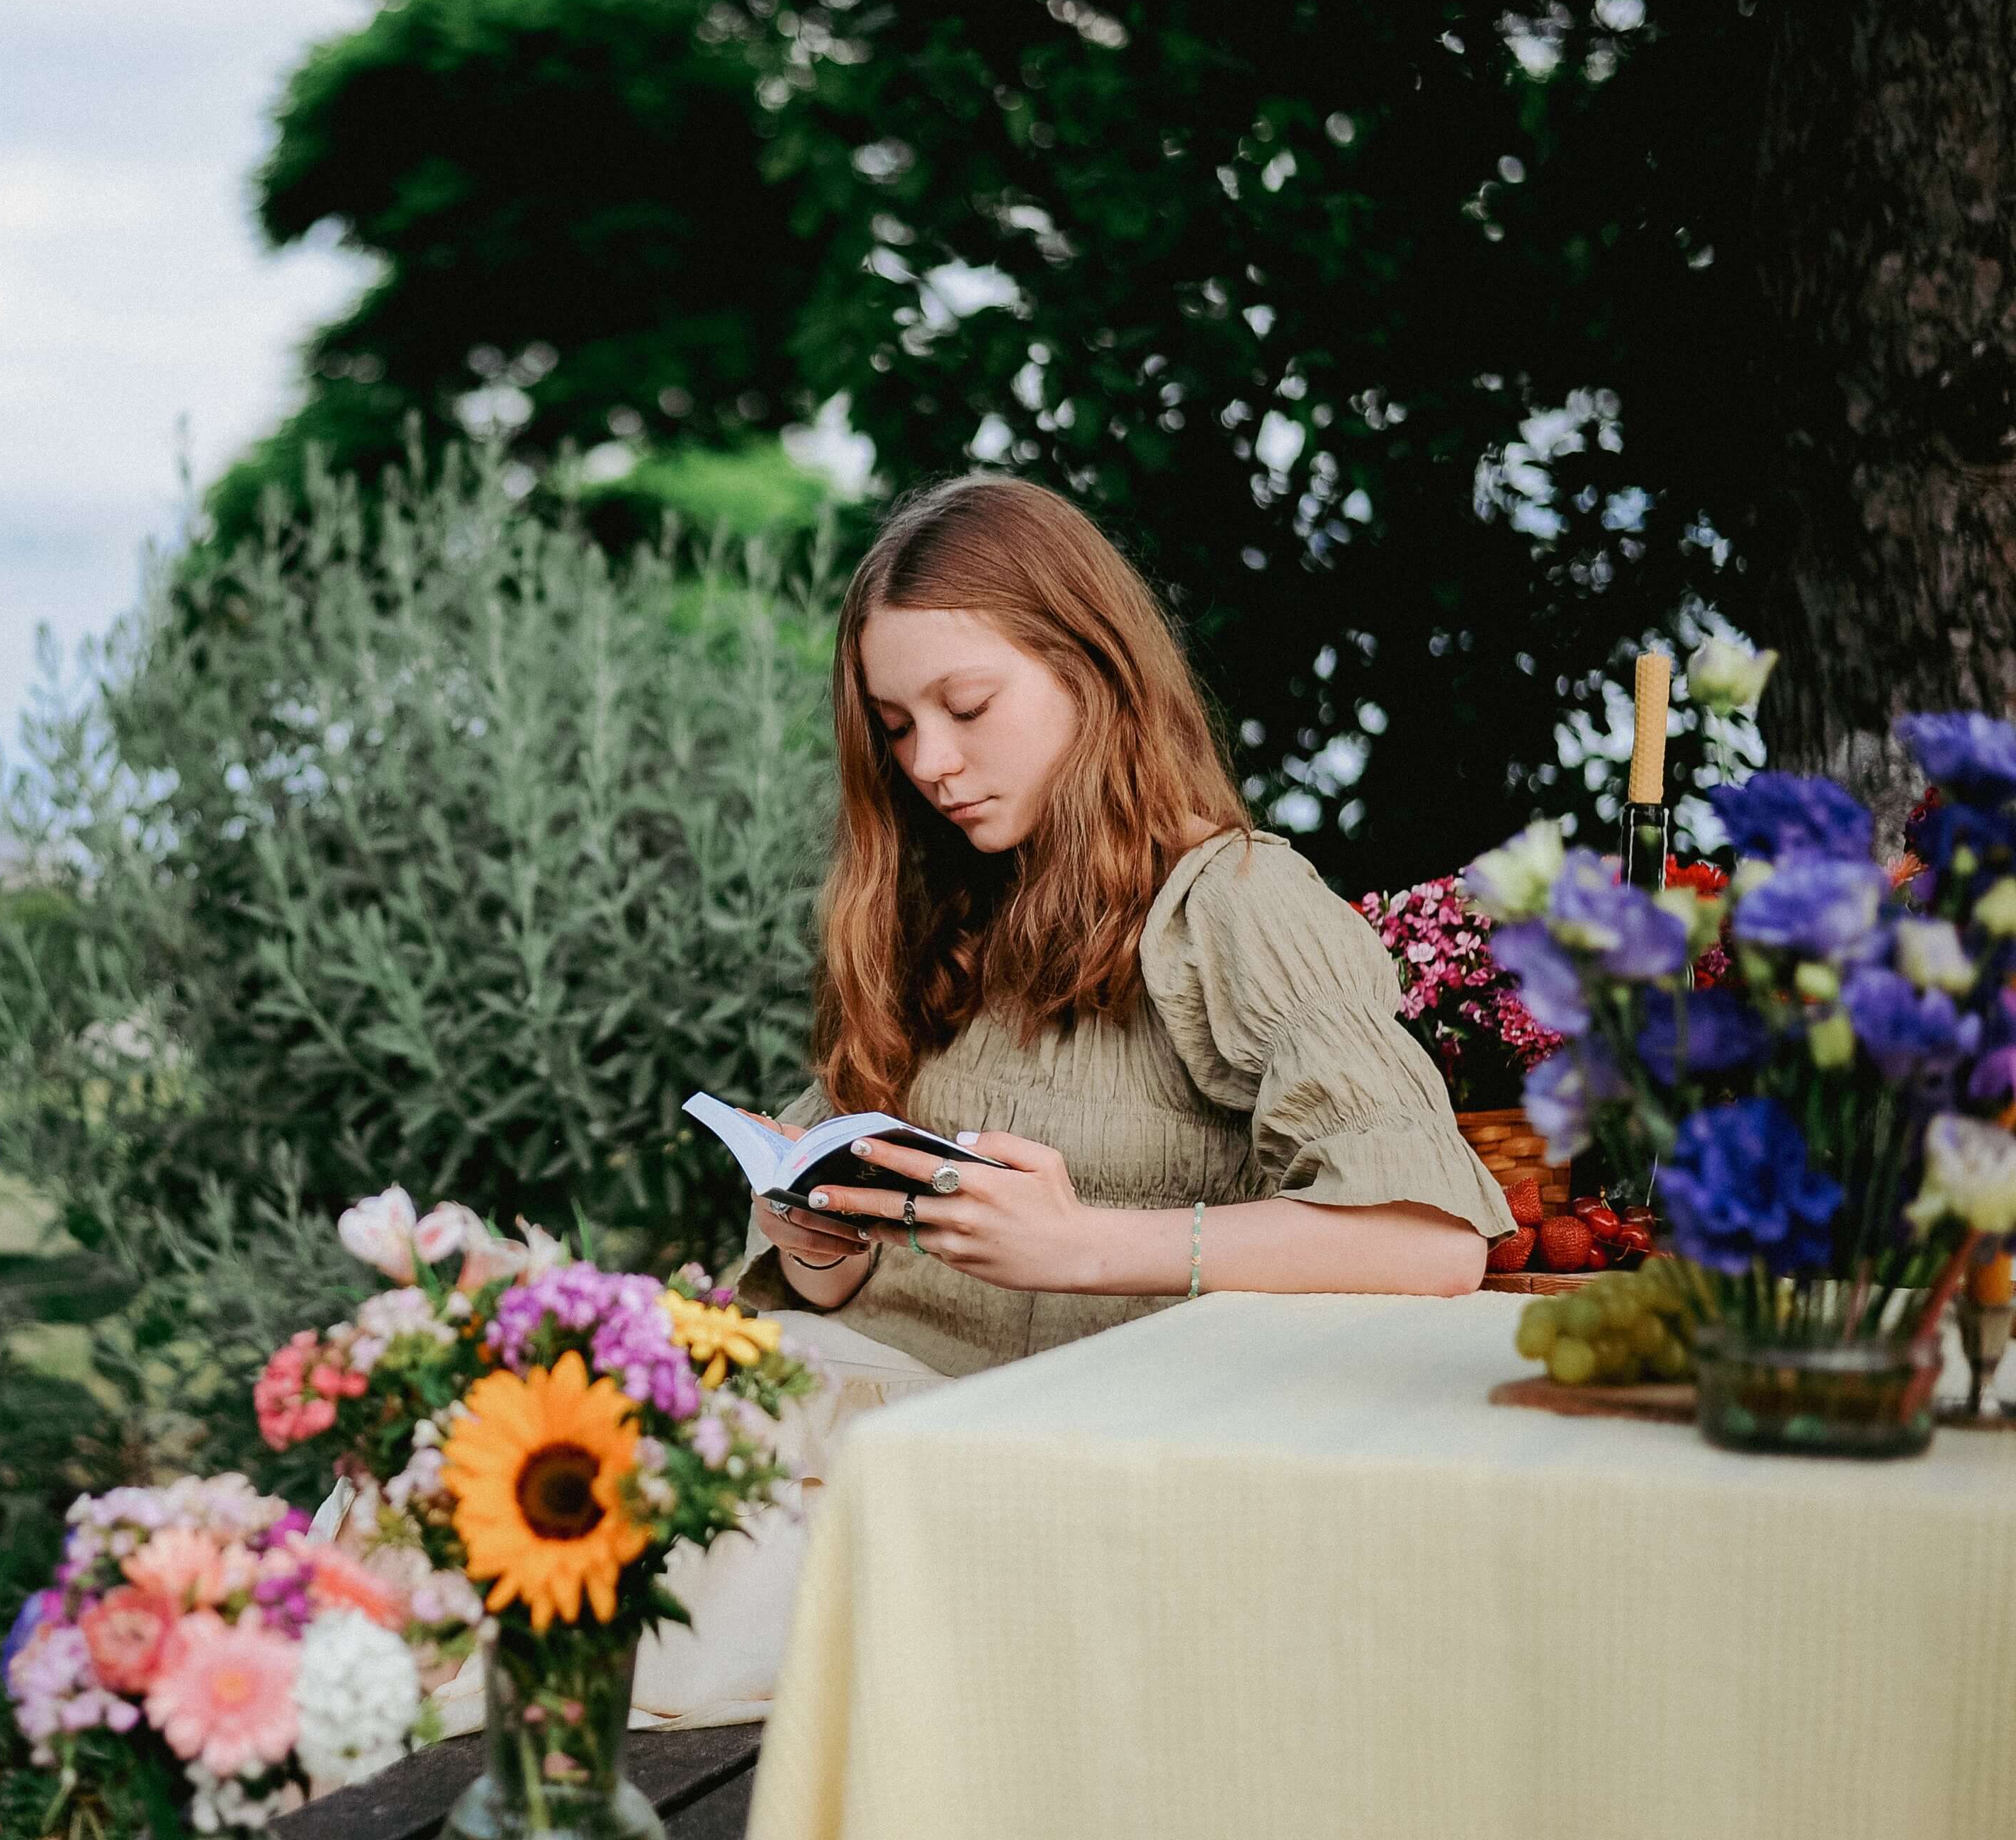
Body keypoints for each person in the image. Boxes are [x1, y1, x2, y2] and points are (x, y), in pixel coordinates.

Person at [631, 472, 1511, 1727]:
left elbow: (1431, 1244)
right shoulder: (937, 915)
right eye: (895, 726)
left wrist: (1084, 1242)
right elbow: (857, 1276)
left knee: (606, 1568)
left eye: (966, 705)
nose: (930, 762)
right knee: (524, 1449)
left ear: (1092, 668)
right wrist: (814, 1233)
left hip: (1014, 1477)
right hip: (853, 1414)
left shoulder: (1235, 904)